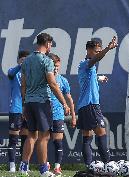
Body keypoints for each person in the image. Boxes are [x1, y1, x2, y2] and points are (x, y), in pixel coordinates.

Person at [19, 33, 70, 177]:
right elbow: (53, 84)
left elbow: (22, 85)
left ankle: (23, 168)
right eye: (51, 45)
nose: (51, 47)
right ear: (47, 44)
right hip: (42, 103)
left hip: (29, 102)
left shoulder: (27, 61)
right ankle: (43, 170)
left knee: (31, 135)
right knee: (44, 137)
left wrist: (24, 103)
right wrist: (64, 103)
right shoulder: (47, 61)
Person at [77, 37, 117, 168]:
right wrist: (107, 49)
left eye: (99, 50)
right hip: (91, 104)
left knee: (87, 137)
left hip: (83, 105)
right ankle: (108, 165)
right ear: (88, 50)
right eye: (96, 51)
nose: (98, 53)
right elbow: (95, 59)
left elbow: (90, 77)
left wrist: (99, 78)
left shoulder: (86, 66)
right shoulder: (87, 63)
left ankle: (89, 167)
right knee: (101, 133)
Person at [48, 53, 76, 175]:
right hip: (44, 114)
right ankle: (45, 164)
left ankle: (57, 167)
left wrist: (73, 116)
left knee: (58, 141)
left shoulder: (63, 80)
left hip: (58, 115)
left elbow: (69, 99)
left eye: (58, 66)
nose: (56, 68)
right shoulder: (44, 78)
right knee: (43, 140)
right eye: (54, 65)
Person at [7, 50, 30, 173]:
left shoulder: (31, 74)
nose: (24, 61)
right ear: (18, 60)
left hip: (28, 110)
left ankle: (24, 166)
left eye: (27, 59)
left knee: (26, 140)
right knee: (13, 139)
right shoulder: (13, 72)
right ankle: (12, 167)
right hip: (16, 109)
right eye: (22, 59)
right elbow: (11, 73)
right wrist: (20, 65)